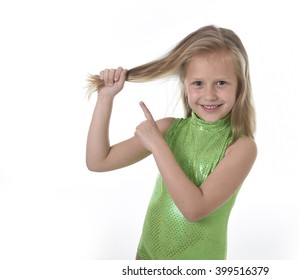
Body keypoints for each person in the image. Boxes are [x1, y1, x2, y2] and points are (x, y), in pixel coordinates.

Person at [85, 25, 257, 260]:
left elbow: (194, 209)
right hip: (146, 258)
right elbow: (98, 161)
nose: (209, 95)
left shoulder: (241, 147)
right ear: (185, 85)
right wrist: (105, 98)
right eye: (198, 83)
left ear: (240, 86)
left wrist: (157, 145)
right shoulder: (169, 129)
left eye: (221, 83)